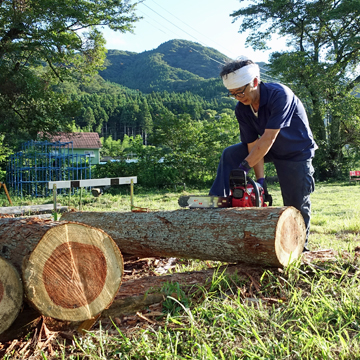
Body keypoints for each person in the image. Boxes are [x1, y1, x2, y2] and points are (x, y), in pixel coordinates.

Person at [210, 58, 317, 251]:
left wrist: (243, 168)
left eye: (241, 92)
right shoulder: (242, 109)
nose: (238, 97)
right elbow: (253, 145)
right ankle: (219, 200)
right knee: (231, 154)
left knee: (295, 203)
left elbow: (268, 138)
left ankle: (300, 249)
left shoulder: (280, 95)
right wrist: (260, 181)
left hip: (296, 152)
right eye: (232, 94)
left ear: (255, 82)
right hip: (267, 149)